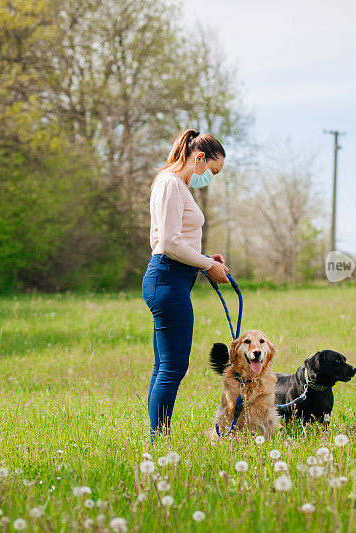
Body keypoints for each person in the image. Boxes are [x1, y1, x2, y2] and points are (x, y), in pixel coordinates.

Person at [141, 128, 229, 440]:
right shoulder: (171, 183)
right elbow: (168, 242)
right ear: (199, 158)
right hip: (167, 279)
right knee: (173, 368)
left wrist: (204, 258)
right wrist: (208, 265)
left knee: (164, 366)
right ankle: (158, 440)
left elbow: (178, 240)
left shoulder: (176, 185)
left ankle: (156, 438)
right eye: (212, 170)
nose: (210, 177)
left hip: (174, 278)